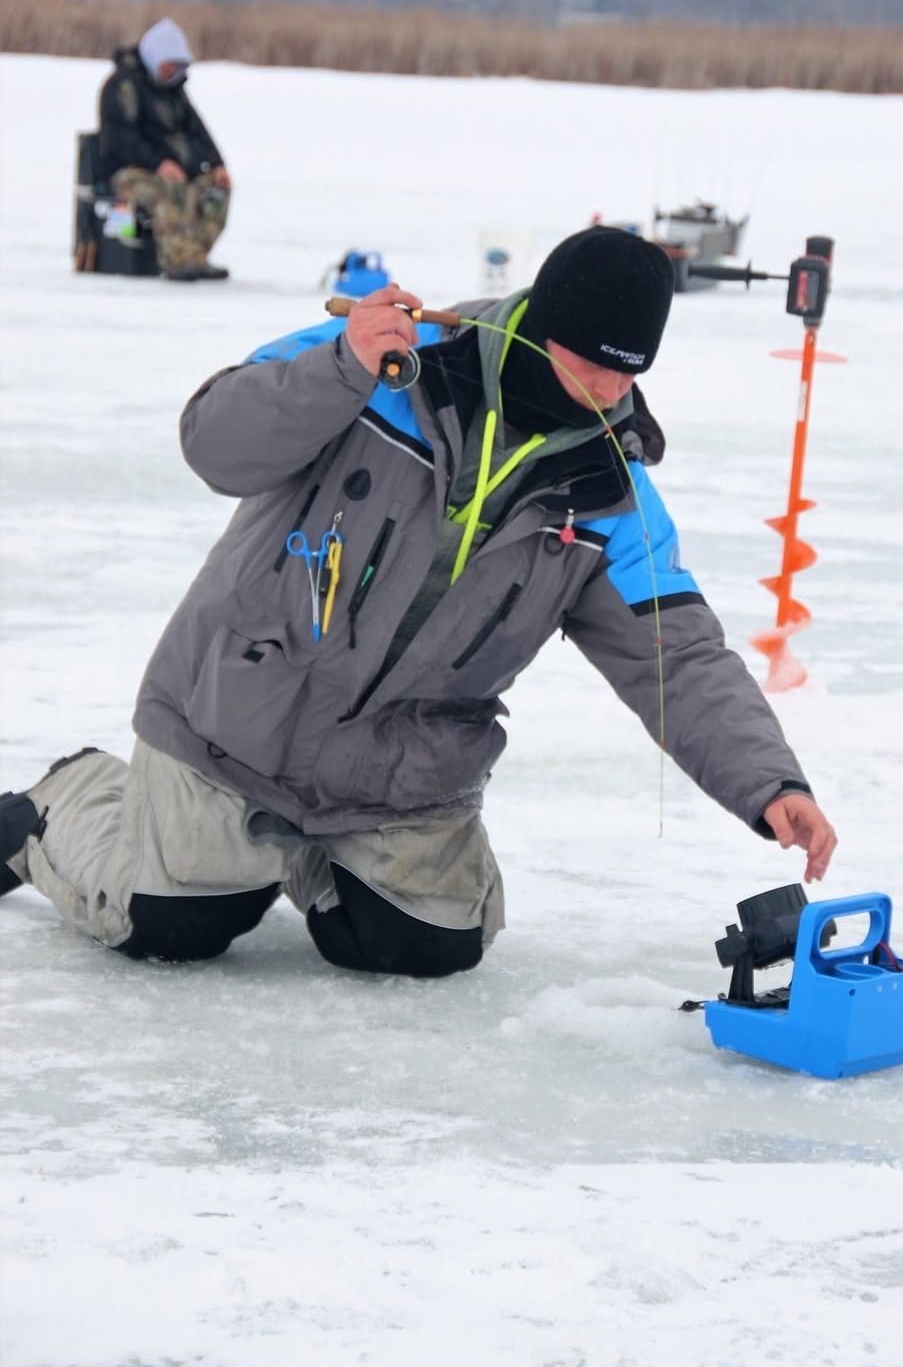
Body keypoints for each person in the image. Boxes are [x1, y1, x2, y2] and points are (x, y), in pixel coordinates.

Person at [0, 227, 837, 977]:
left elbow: (678, 657)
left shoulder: (612, 496)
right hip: (238, 721)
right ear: (541, 327)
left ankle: (308, 855)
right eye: (593, 364)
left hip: (398, 774)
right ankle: (63, 802)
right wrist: (340, 369)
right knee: (165, 925)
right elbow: (213, 443)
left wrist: (768, 783)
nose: (612, 392)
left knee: (426, 946)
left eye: (630, 373)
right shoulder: (381, 359)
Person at [97, 16, 232, 282]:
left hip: (176, 171)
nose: (174, 71)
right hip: (128, 172)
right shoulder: (122, 87)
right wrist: (158, 164)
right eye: (170, 65)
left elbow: (197, 130)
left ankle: (194, 255)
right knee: (169, 189)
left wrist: (217, 164)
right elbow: (120, 139)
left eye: (179, 66)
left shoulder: (173, 90)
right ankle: (177, 259)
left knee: (215, 190)